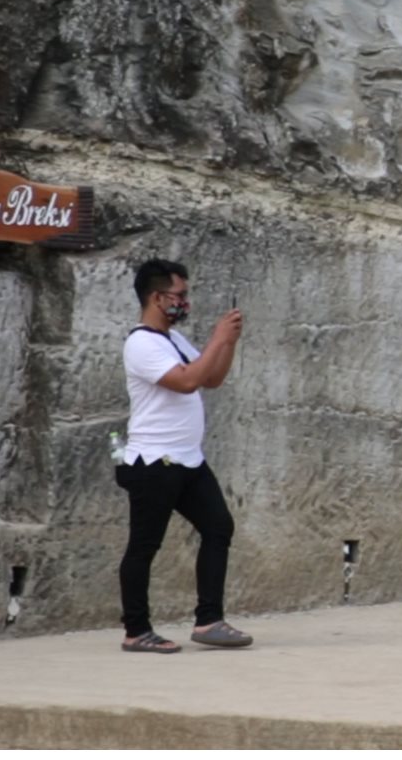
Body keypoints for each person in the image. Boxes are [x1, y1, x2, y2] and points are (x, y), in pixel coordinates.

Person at [117, 259, 252, 654]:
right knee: (144, 546)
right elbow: (187, 381)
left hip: (187, 460)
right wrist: (217, 338)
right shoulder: (141, 343)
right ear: (156, 298)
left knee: (218, 527)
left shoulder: (172, 339)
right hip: (153, 463)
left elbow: (212, 378)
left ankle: (209, 620)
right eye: (179, 295)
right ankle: (136, 630)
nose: (185, 302)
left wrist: (227, 343)